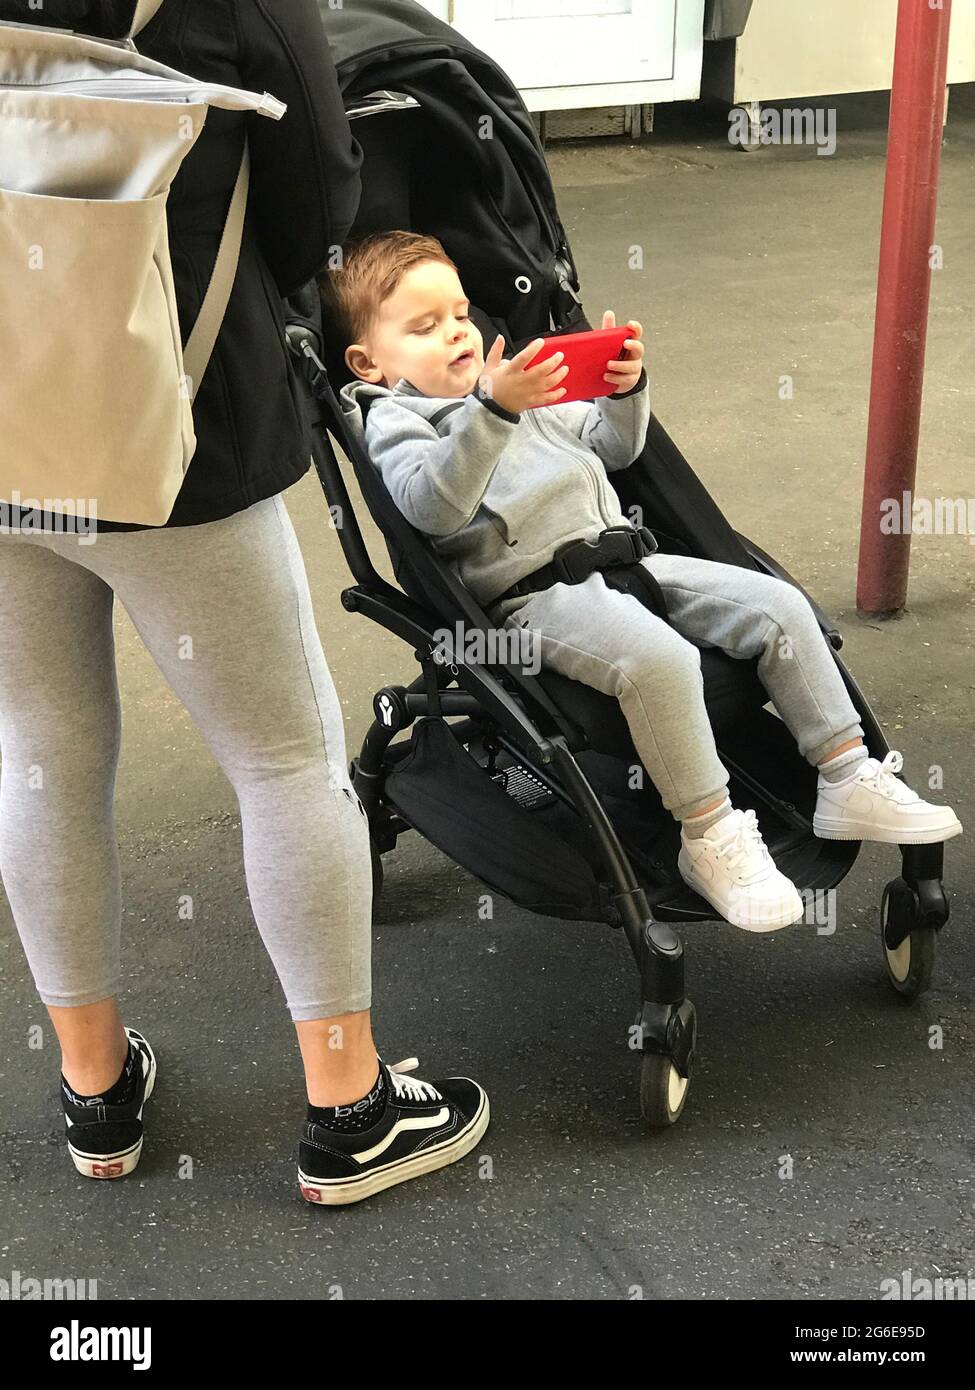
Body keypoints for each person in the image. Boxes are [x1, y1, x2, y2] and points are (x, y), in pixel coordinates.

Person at [0, 1, 488, 1207]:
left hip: (6, 431)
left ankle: (95, 1088)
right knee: (281, 759)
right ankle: (349, 1107)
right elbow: (319, 205)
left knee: (41, 754)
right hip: (183, 434)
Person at [331, 230, 963, 931]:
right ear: (370, 362)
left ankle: (845, 772)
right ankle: (709, 835)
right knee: (658, 661)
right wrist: (492, 413)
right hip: (538, 597)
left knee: (780, 607)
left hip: (631, 561)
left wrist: (622, 389)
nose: (455, 334)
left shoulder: (518, 386)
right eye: (424, 328)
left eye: (458, 315)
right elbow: (430, 506)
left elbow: (613, 447)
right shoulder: (397, 419)